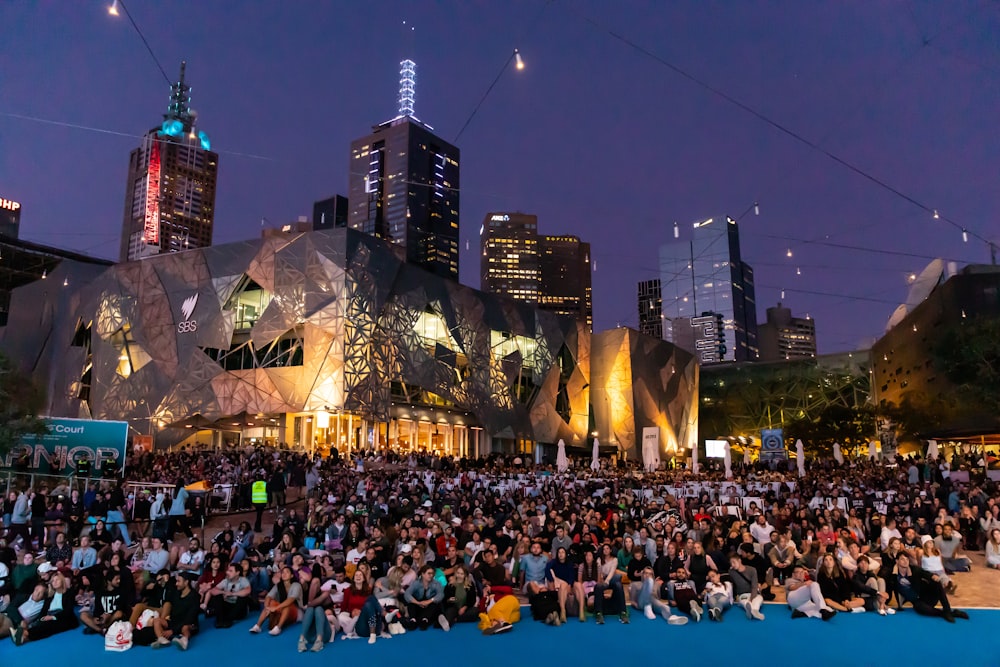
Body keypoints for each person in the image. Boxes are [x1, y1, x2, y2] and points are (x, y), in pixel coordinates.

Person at [892, 552, 969, 623]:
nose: (905, 561)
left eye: (907, 559)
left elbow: (925, 573)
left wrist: (932, 576)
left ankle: (947, 609)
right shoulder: (893, 574)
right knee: (922, 610)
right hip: (917, 602)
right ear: (897, 561)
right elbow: (888, 581)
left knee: (936, 582)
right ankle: (951, 613)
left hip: (927, 597)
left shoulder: (914, 570)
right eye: (902, 559)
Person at [149, 572, 200, 650]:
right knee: (157, 621)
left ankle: (184, 641)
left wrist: (172, 631)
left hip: (188, 623)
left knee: (185, 627)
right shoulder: (176, 593)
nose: (176, 584)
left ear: (186, 582)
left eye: (179, 581)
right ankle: (163, 640)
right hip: (175, 622)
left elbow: (190, 618)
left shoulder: (195, 596)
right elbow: (167, 596)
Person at [249, 566, 302, 635]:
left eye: (287, 572)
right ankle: (258, 626)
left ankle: (278, 628)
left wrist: (276, 608)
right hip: (282, 608)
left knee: (287, 606)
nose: (284, 574)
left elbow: (291, 599)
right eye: (283, 572)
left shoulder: (296, 585)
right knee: (270, 602)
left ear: (291, 576)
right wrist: (267, 607)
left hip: (296, 611)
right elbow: (269, 596)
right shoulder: (278, 585)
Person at [297, 564, 331, 652]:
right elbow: (309, 605)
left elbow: (311, 604)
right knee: (311, 609)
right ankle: (301, 639)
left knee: (318, 608)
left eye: (316, 583)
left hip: (324, 633)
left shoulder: (325, 594)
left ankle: (319, 641)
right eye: (313, 584)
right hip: (310, 634)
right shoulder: (309, 591)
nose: (315, 585)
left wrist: (307, 604)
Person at [404, 564, 447, 631]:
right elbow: (407, 594)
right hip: (418, 604)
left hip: (429, 606)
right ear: (423, 574)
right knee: (411, 603)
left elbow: (441, 594)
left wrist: (429, 601)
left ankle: (424, 620)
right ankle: (413, 620)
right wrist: (418, 603)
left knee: (435, 604)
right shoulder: (416, 583)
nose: (431, 575)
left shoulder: (436, 583)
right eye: (429, 573)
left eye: (432, 573)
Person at [208, 563, 251, 629]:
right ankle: (219, 621)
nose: (227, 572)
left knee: (243, 598)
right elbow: (213, 591)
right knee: (216, 596)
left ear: (237, 573)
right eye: (228, 570)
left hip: (238, 610)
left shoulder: (243, 580)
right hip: (227, 606)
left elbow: (248, 591)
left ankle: (229, 620)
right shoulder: (225, 580)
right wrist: (223, 592)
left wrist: (232, 594)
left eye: (230, 571)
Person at [728, 553, 765, 620]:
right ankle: (750, 608)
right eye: (731, 563)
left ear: (739, 560)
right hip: (742, 594)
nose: (732, 565)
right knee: (744, 601)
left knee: (758, 600)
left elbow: (754, 586)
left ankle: (755, 610)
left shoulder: (752, 570)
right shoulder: (731, 572)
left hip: (754, 593)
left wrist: (752, 598)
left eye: (734, 562)